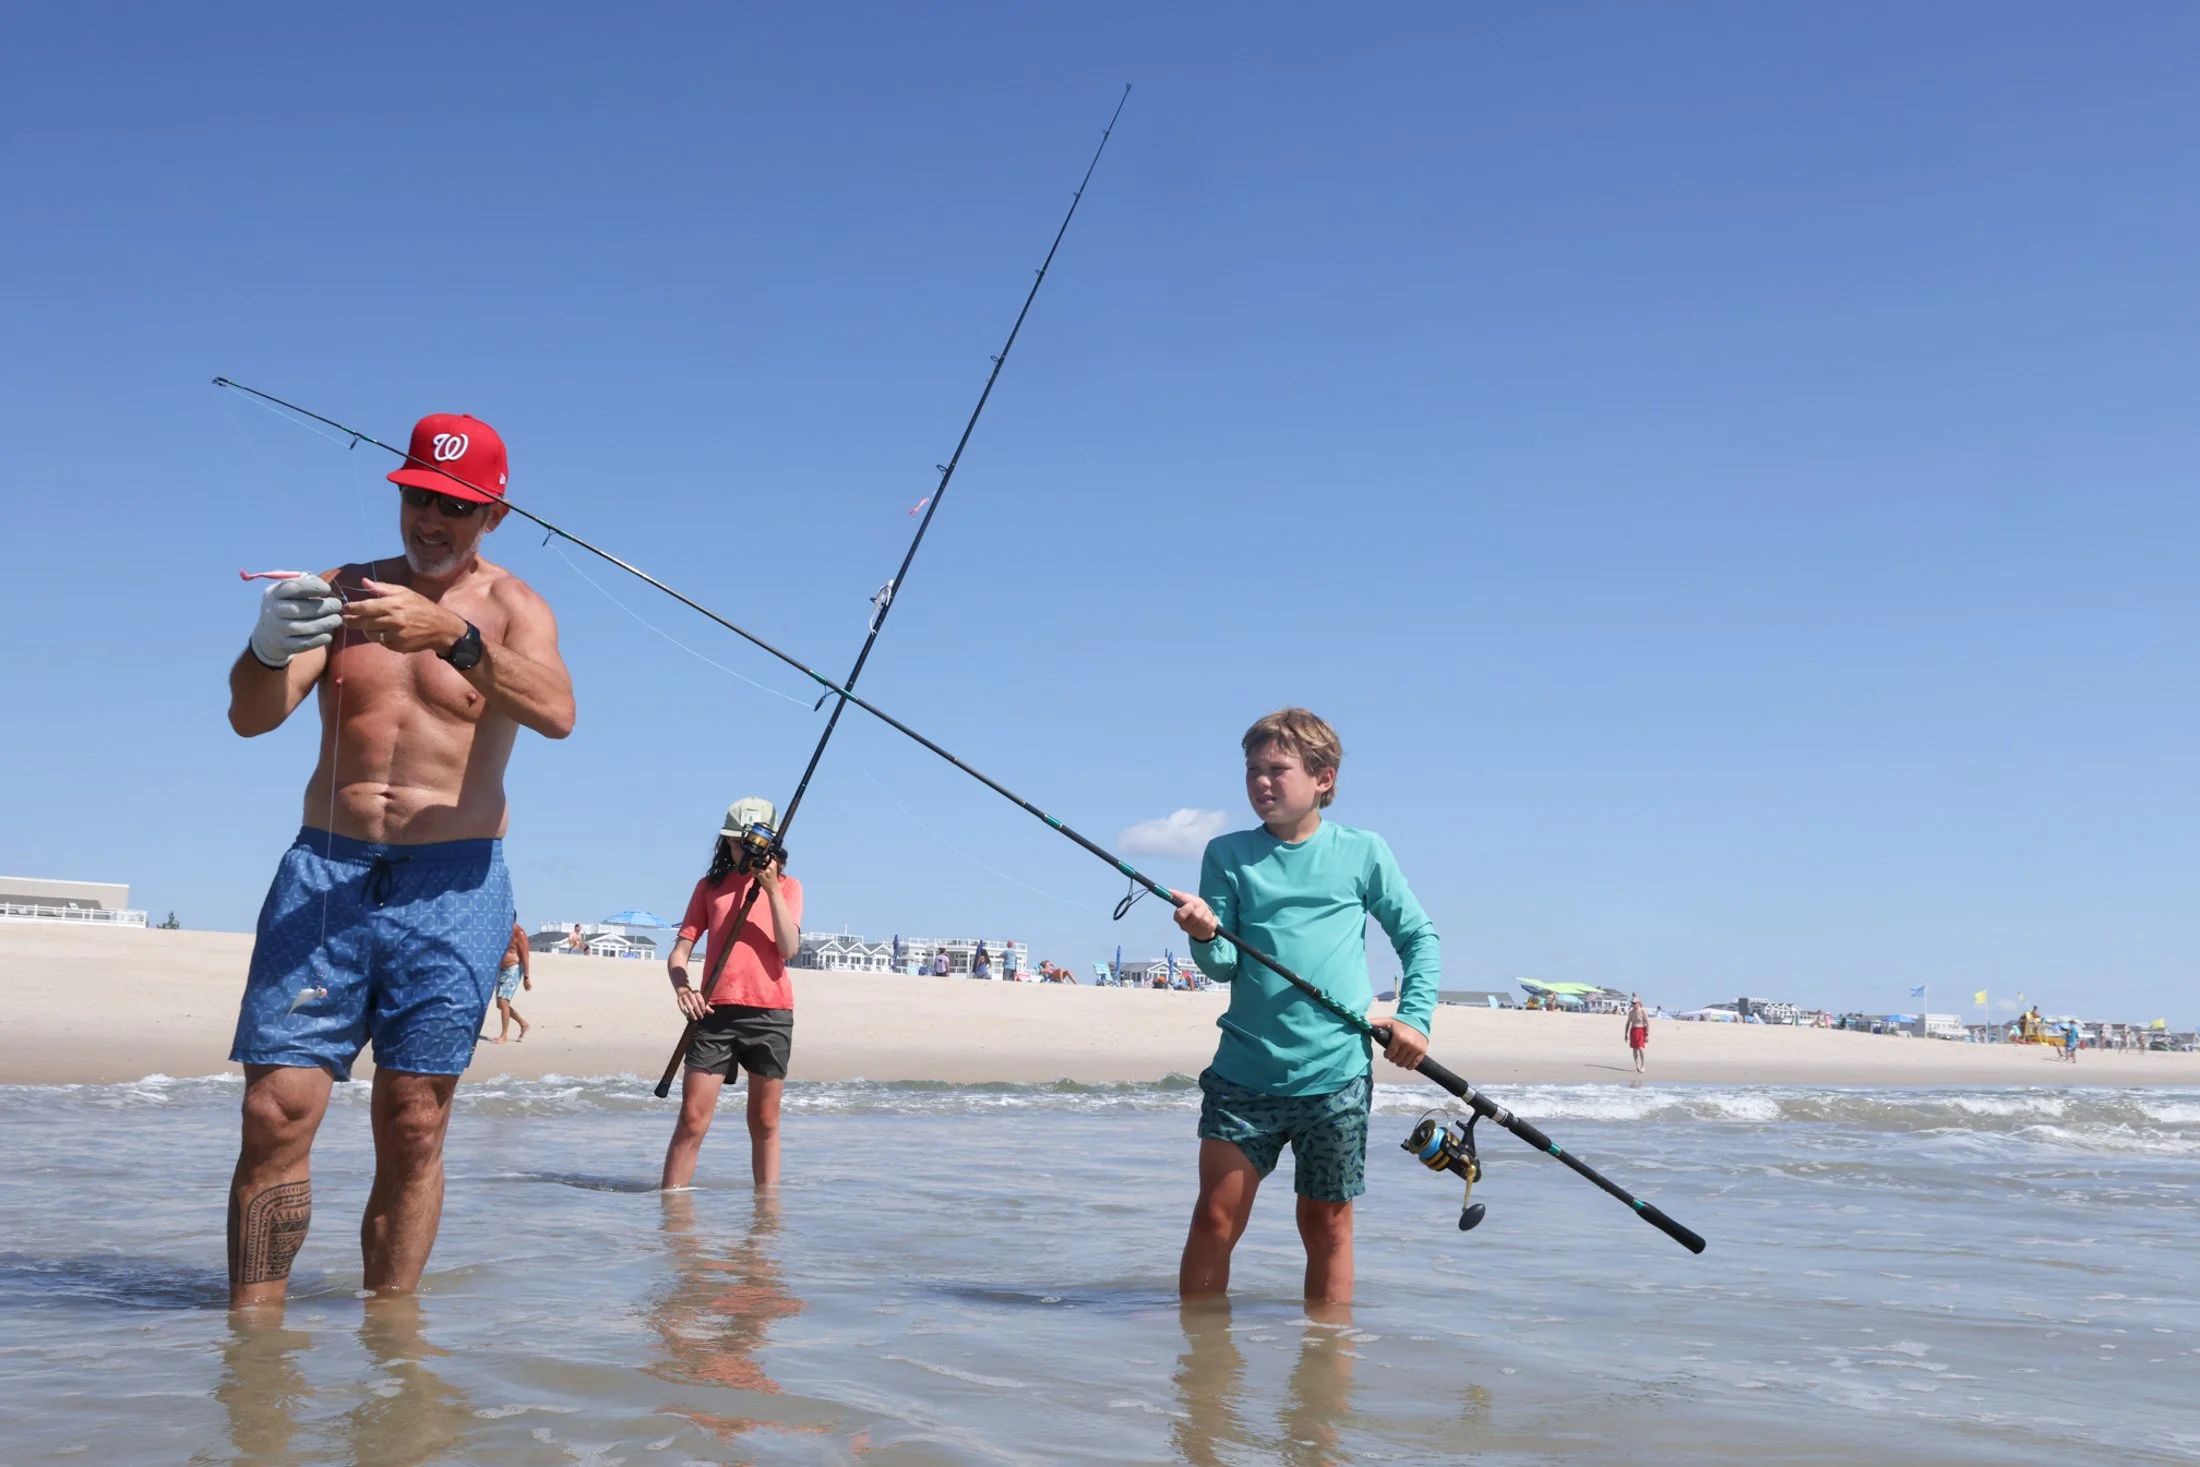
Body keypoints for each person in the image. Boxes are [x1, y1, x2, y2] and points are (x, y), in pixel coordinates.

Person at [222, 412, 575, 1309]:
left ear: (492, 514)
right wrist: (266, 646)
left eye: (454, 506)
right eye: (419, 495)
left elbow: (558, 711)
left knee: (414, 1120)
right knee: (275, 1110)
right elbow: (251, 715)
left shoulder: (515, 608)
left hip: (452, 883)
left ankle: (392, 1340)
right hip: (327, 873)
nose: (430, 519)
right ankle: (254, 1342)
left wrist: (451, 638)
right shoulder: (342, 592)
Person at [1170, 708, 1439, 1305]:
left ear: (1324, 777)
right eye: (1252, 770)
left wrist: (1414, 1018)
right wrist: (1203, 933)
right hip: (1245, 1073)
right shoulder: (1227, 854)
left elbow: (1419, 938)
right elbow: (1221, 968)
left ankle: (1326, 1378)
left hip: (1335, 1077)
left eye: (1277, 769)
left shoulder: (1363, 852)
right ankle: (1200, 1375)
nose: (1261, 782)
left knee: (1327, 1229)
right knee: (1215, 1219)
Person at [662, 798, 804, 1190]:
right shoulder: (709, 888)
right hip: (714, 1013)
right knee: (692, 1117)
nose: (743, 851)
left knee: (765, 1121)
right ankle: (671, 1217)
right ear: (726, 843)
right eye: (736, 843)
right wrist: (683, 988)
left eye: (752, 845)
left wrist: (771, 889)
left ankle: (766, 1220)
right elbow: (679, 953)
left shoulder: (790, 888)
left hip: (770, 1014)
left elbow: (789, 949)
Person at [491, 922, 532, 1043]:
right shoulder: (501, 931)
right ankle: (523, 1024)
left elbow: (525, 956)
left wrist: (526, 977)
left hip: (513, 969)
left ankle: (504, 1036)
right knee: (500, 1004)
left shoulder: (519, 933)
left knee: (503, 1001)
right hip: (501, 969)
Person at [1624, 994, 1650, 1074]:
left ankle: (1643, 1065)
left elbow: (1647, 1023)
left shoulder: (1643, 1011)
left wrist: (1647, 1034)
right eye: (1632, 1003)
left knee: (1640, 1048)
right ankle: (1637, 1066)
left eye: (1635, 1003)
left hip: (1641, 1030)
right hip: (1633, 1030)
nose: (1633, 1004)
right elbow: (1628, 1023)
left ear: (1638, 1003)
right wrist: (1626, 1034)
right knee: (1634, 1049)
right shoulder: (1631, 1012)